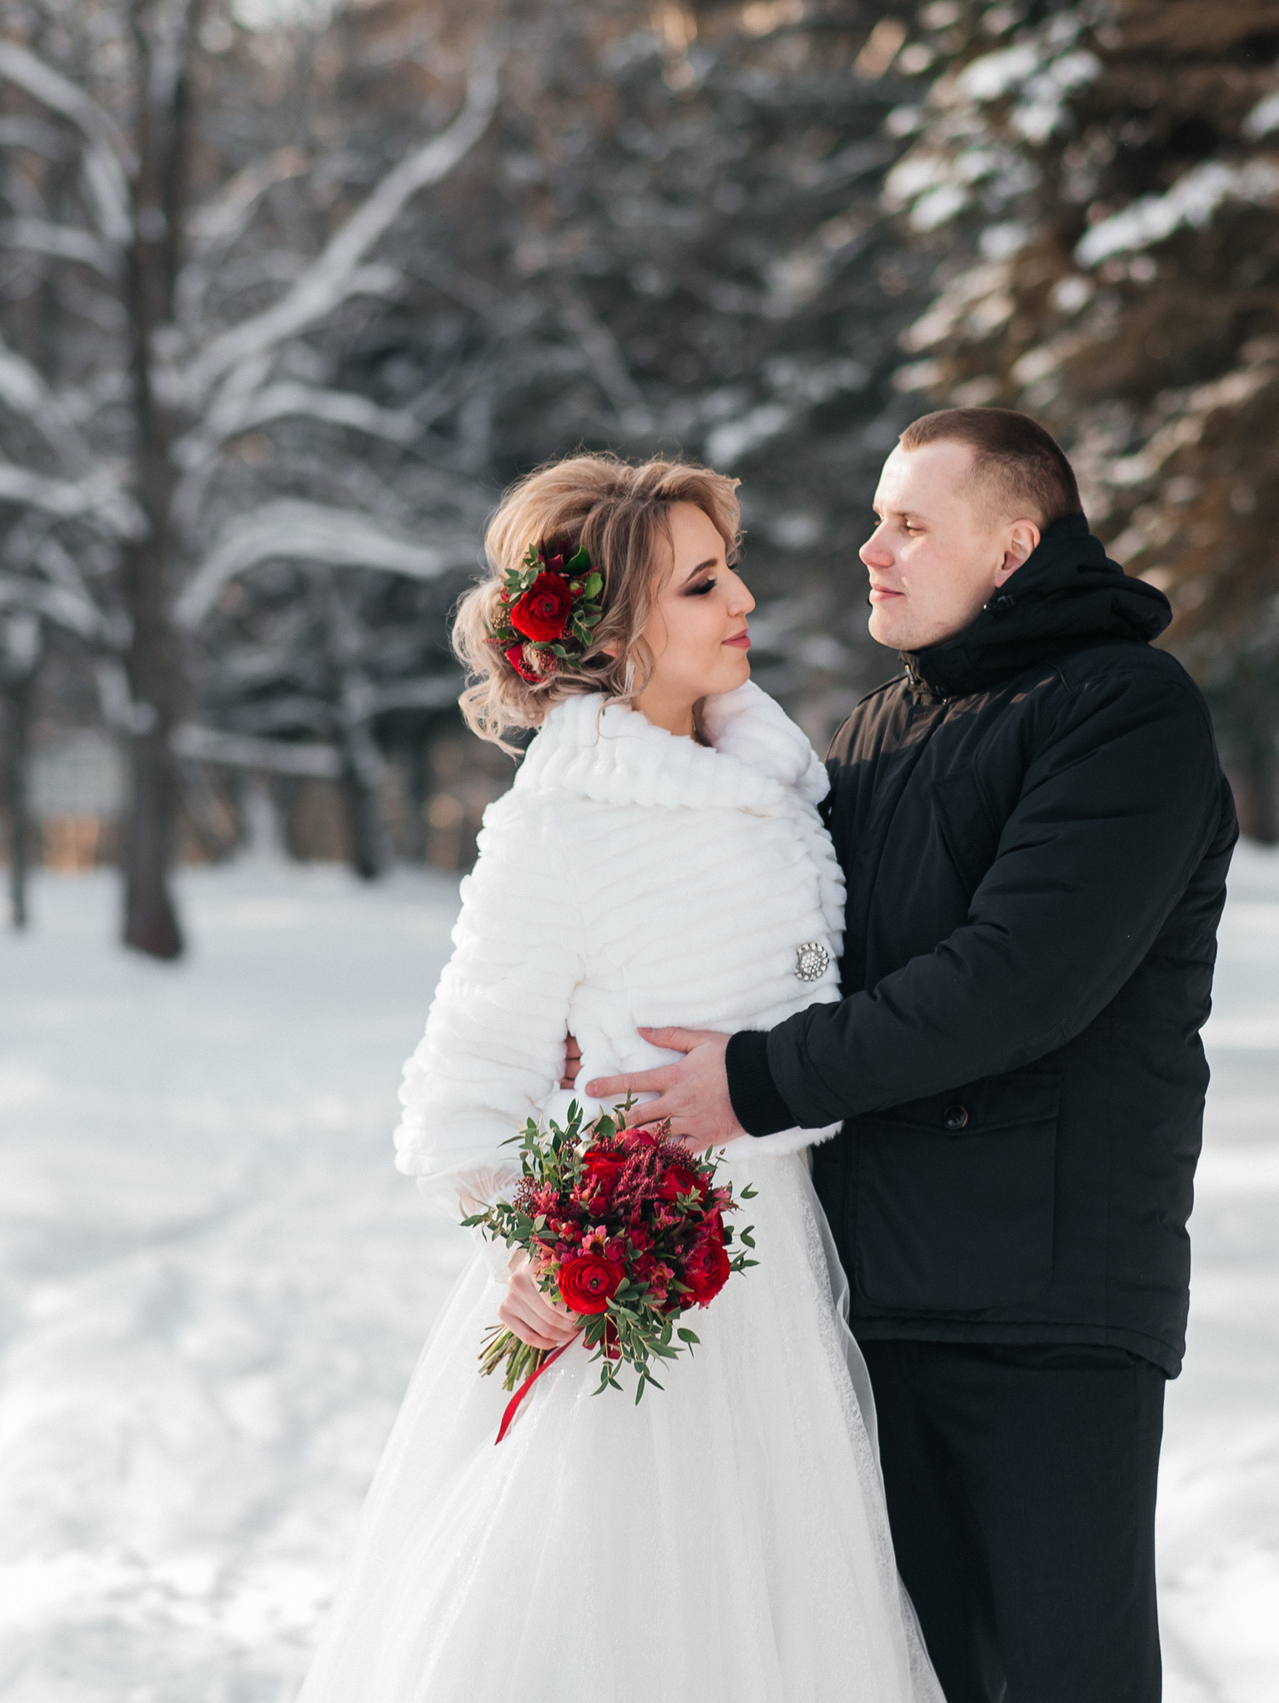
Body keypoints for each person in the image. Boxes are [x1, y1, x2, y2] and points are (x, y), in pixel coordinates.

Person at [586, 408, 1238, 1703]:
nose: (870, 547)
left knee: (1062, 1674)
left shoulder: (1124, 711)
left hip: (1045, 1302)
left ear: (1012, 545)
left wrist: (756, 1079)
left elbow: (1016, 983)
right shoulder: (881, 727)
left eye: (909, 522)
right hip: (870, 1291)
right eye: (878, 515)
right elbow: (798, 953)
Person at [295, 454, 942, 1703]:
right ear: (618, 632)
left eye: (729, 566)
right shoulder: (567, 822)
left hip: (791, 1275)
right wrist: (528, 1251)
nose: (742, 596)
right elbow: (463, 1084)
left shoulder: (782, 783)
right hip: (643, 1302)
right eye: (703, 584)